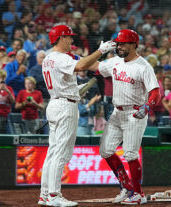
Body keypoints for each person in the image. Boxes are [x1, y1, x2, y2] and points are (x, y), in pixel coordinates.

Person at [38, 24, 115, 207]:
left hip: (57, 102)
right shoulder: (60, 57)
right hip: (65, 106)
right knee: (61, 153)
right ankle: (54, 195)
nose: (72, 40)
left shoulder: (49, 57)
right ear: (60, 38)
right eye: (69, 37)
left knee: (53, 152)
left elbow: (89, 65)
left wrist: (75, 89)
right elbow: (81, 65)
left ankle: (45, 194)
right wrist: (101, 50)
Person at [94, 29, 160, 205]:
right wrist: (76, 58)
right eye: (118, 43)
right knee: (105, 150)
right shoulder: (114, 61)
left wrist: (147, 106)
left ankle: (138, 194)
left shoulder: (143, 66)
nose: (119, 46)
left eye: (123, 43)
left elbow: (155, 93)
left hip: (135, 113)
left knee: (130, 154)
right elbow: (91, 66)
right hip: (117, 112)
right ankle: (127, 187)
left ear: (134, 44)